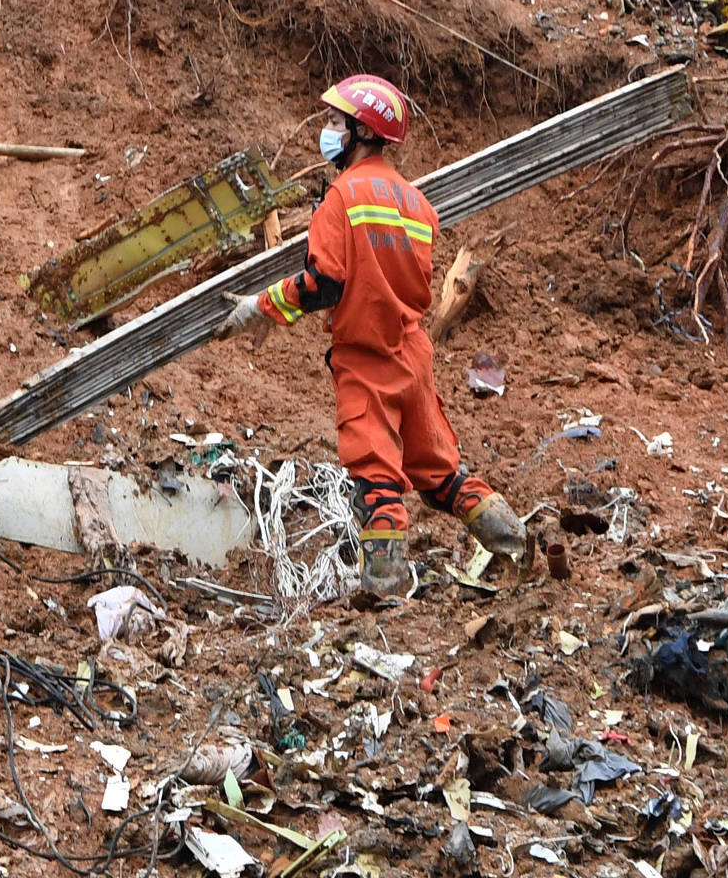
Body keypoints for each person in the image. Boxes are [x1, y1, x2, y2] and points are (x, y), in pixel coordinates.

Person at [216, 74, 528, 598]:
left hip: (367, 359)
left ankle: (383, 586)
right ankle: (513, 538)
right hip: (412, 355)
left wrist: (261, 308)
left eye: (336, 123)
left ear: (362, 131)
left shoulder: (342, 198)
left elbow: (325, 283)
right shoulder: (416, 204)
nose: (327, 131)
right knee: (439, 474)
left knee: (377, 481)